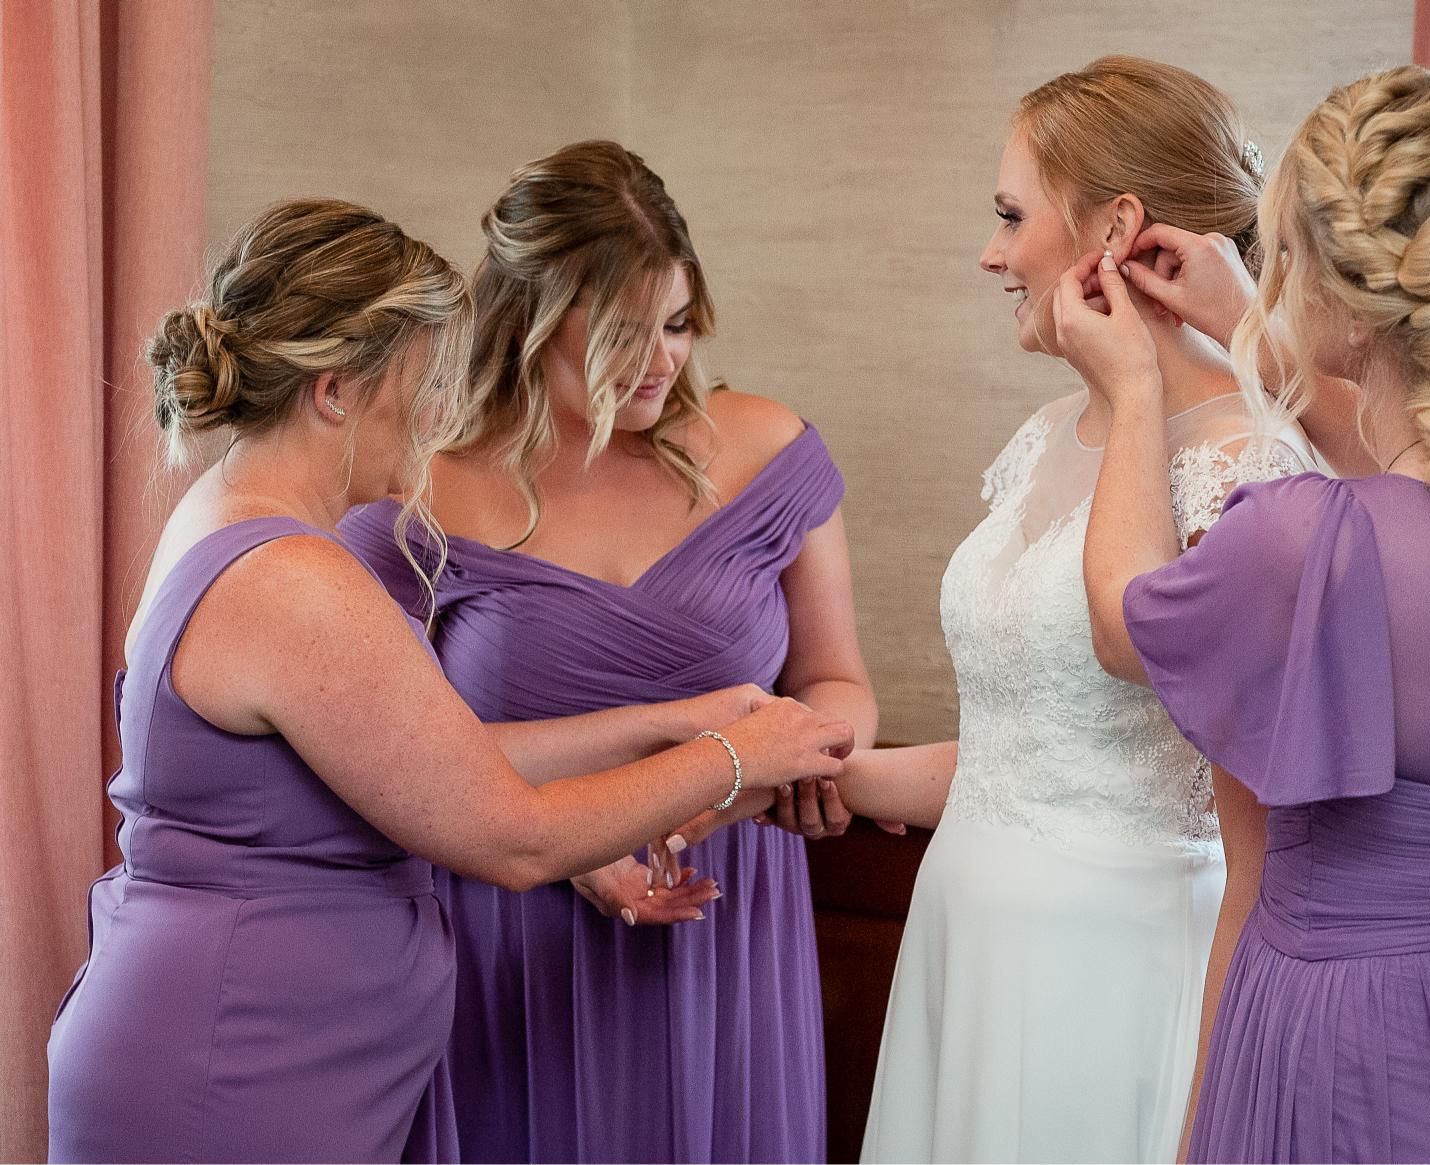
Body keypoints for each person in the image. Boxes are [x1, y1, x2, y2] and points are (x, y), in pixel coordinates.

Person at [46, 198, 852, 1164]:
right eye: (422, 381)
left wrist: (674, 720)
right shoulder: (294, 580)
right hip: (242, 1061)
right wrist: (732, 755)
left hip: (259, 1045)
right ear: (336, 391)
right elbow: (513, 835)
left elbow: (434, 759)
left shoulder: (233, 516)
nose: (438, 415)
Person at [1061, 65, 1430, 1162]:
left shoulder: (1306, 537)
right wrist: (1240, 314)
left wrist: (1138, 386)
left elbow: (1119, 624)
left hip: (1345, 1041)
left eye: (1283, 255)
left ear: (1347, 298)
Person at [342, 140, 878, 1164]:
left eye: (677, 324)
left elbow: (834, 678)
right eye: (623, 333)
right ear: (531, 321)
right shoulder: (424, 498)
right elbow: (387, 753)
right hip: (517, 924)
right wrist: (576, 845)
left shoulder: (768, 451)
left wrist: (814, 756)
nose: (661, 360)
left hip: (729, 910)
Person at [850, 57, 1319, 1163]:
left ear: (1114, 226)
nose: (991, 253)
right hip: (965, 937)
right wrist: (826, 775)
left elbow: (1251, 827)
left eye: (1011, 216)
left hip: (1112, 973)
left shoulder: (1253, 465)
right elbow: (1035, 738)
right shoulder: (1049, 435)